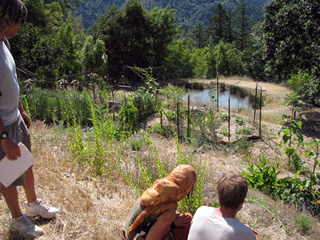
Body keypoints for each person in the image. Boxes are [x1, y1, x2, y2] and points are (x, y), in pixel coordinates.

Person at [0, 0, 58, 238]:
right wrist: (4, 138)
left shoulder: (3, 42)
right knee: (7, 173)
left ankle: (33, 204)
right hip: (3, 124)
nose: (20, 27)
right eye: (18, 22)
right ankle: (17, 219)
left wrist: (21, 108)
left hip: (14, 117)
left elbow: (8, 82)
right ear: (5, 19)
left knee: (25, 162)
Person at [123, 164, 197, 240]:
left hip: (126, 235)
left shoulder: (159, 187)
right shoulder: (169, 210)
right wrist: (173, 224)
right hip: (134, 237)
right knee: (187, 223)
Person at [187, 173, 258, 240]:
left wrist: (243, 229)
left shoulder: (201, 211)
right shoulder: (247, 234)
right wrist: (245, 230)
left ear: (219, 196)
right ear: (242, 202)